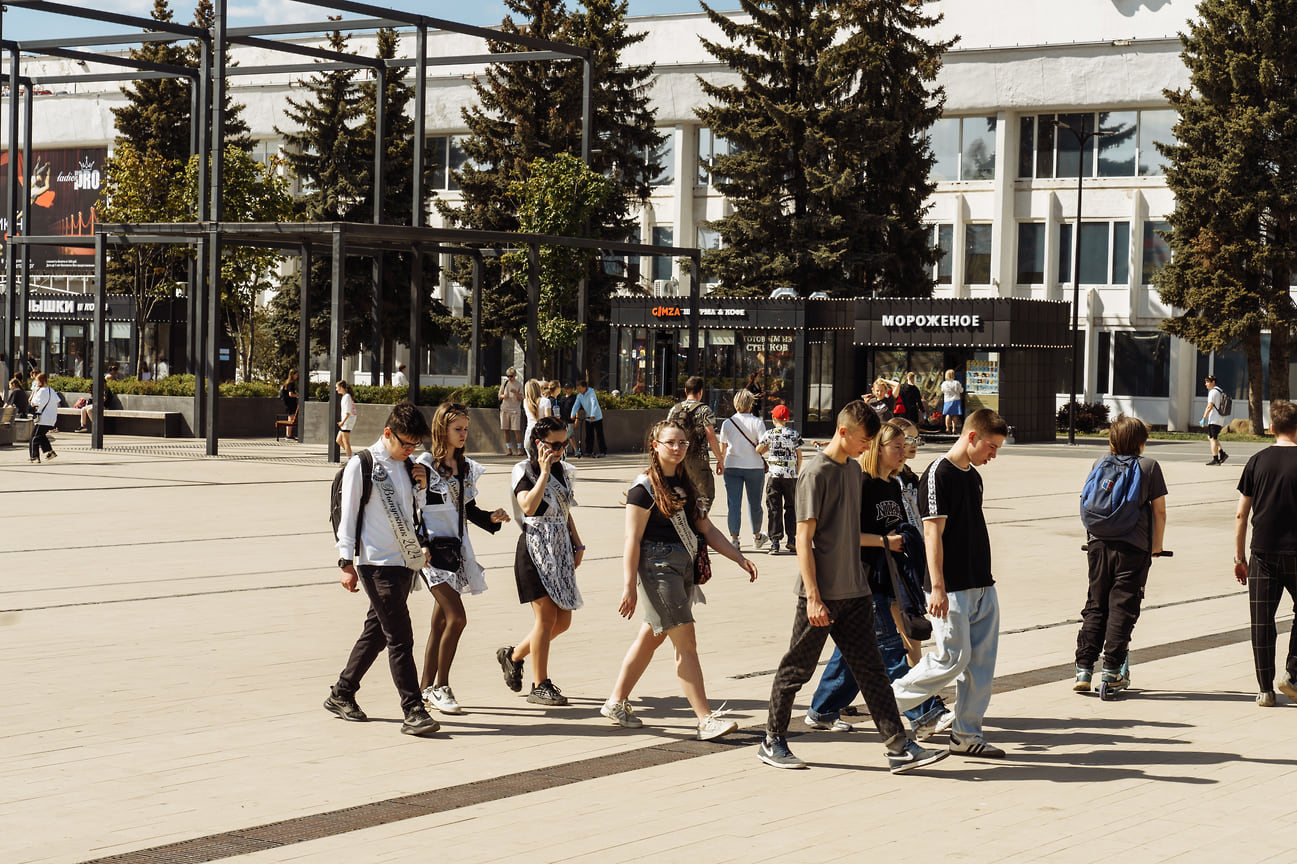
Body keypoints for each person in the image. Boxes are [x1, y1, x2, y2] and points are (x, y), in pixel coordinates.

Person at [758, 401, 948, 773]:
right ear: (843, 432)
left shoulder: (851, 470)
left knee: (873, 670)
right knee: (797, 668)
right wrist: (813, 596)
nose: (868, 446)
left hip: (856, 591)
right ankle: (772, 740)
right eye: (864, 439)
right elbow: (803, 539)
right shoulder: (816, 473)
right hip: (821, 594)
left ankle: (898, 746)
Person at [601, 418, 759, 739]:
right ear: (655, 446)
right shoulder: (643, 488)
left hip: (682, 569)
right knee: (686, 643)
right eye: (670, 443)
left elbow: (707, 529)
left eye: (682, 443)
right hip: (657, 570)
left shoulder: (686, 485)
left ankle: (616, 701)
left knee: (652, 637)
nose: (677, 448)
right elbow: (632, 539)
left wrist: (739, 557)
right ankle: (705, 719)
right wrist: (629, 586)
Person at [805, 420, 953, 738]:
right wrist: (886, 541)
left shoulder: (891, 484)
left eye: (905, 446)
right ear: (878, 448)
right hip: (861, 580)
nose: (903, 452)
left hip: (886, 579)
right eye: (896, 447)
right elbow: (842, 535)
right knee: (888, 651)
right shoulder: (862, 483)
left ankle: (821, 710)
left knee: (853, 652)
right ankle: (927, 713)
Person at [891, 408, 1009, 759]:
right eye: (991, 446)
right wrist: (938, 587)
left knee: (980, 666)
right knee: (951, 659)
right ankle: (888, 696)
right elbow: (932, 533)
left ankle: (966, 734)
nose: (994, 455)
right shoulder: (938, 474)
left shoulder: (972, 476)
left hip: (981, 583)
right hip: (951, 588)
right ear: (972, 436)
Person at [325, 402, 440, 736]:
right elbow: (347, 518)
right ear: (387, 432)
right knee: (400, 638)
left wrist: (420, 486)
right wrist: (345, 563)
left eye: (415, 445)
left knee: (376, 632)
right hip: (374, 564)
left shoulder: (408, 466)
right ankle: (413, 709)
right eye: (404, 443)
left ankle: (342, 692)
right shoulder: (362, 465)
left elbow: (412, 512)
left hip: (404, 562)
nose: (410, 450)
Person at [414, 403, 510, 715]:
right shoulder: (424, 465)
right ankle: (442, 686)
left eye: (466, 428)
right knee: (457, 617)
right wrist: (420, 544)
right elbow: (411, 510)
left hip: (455, 552)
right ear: (442, 429)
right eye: (458, 428)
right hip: (430, 554)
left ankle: (423, 690)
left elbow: (468, 511)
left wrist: (493, 518)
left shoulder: (464, 466)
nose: (463, 434)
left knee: (440, 623)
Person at [1073, 415, 1168, 695]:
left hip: (1098, 544)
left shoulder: (1099, 463)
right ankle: (1113, 671)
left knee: (1095, 603)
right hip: (1133, 547)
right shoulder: (1149, 467)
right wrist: (1156, 547)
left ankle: (1084, 669)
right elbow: (1159, 511)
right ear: (1140, 441)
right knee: (1122, 607)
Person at [498, 417, 584, 706]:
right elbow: (528, 506)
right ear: (539, 444)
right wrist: (544, 472)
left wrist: (577, 541)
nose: (560, 449)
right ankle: (540, 685)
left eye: (564, 443)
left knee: (563, 621)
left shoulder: (563, 469)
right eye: (554, 444)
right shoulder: (524, 469)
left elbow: (564, 510)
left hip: (560, 548)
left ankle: (512, 656)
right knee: (546, 619)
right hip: (534, 548)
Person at [1233, 399, 1297, 707]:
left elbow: (1241, 515)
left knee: (1261, 621)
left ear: (1271, 428)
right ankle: (1293, 674)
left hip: (1262, 554)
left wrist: (1238, 557)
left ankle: (1265, 689)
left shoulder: (1257, 461)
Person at [718, 389, 768, 550]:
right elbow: (763, 444)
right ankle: (757, 536)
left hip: (731, 465)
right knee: (755, 503)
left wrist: (720, 462)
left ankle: (734, 539)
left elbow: (723, 447)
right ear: (750, 404)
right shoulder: (757, 422)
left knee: (733, 504)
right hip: (754, 467)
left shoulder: (727, 423)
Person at [668, 376, 724, 513]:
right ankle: (698, 525)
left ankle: (683, 525)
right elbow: (710, 435)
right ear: (701, 392)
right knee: (705, 495)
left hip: (676, 457)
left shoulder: (675, 409)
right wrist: (720, 459)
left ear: (686, 391)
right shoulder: (705, 410)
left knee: (679, 494)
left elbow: (666, 433)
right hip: (698, 459)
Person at [757, 404, 802, 555]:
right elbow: (799, 454)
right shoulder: (794, 434)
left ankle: (775, 543)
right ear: (787, 419)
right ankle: (791, 539)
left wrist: (765, 451)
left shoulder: (769, 433)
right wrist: (797, 470)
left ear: (773, 418)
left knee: (774, 508)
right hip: (790, 475)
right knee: (791, 508)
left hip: (774, 475)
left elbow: (759, 449)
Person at [29, 372, 59, 464]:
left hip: (43, 418)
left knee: (34, 437)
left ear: (41, 381)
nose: (37, 383)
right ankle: (50, 452)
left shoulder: (41, 391)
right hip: (51, 418)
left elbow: (32, 403)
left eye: (37, 381)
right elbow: (58, 402)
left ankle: (34, 457)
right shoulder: (51, 390)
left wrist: (35, 392)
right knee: (41, 436)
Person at [571, 379, 606, 458]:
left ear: (585, 387)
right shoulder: (579, 396)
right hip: (588, 417)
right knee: (589, 435)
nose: (579, 390)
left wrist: (593, 414)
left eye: (580, 388)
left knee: (599, 434)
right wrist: (572, 414)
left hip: (597, 417)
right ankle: (588, 451)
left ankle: (603, 451)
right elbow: (576, 405)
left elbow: (594, 403)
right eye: (578, 388)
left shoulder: (591, 393)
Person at [1201, 374, 1229, 465]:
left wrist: (1203, 418)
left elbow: (1210, 406)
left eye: (1207, 382)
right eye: (1205, 382)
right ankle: (1222, 453)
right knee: (1210, 437)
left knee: (1213, 438)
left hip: (1214, 419)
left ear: (1213, 382)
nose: (1206, 384)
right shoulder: (1220, 391)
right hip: (1220, 418)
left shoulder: (1213, 392)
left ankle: (1216, 459)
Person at [499, 367, 524, 457]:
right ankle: (508, 449)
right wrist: (503, 396)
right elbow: (499, 396)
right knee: (506, 429)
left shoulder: (519, 385)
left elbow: (522, 398)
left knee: (516, 430)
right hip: (505, 409)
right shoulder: (505, 383)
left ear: (515, 375)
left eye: (511, 376)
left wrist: (516, 393)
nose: (510, 378)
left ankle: (519, 449)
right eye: (508, 376)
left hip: (515, 410)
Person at [522, 378, 544, 456]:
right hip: (541, 431)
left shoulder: (525, 402)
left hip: (530, 430)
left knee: (529, 450)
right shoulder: (545, 401)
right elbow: (548, 417)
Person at [336, 380, 357, 459]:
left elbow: (348, 412)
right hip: (346, 422)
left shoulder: (347, 397)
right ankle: (352, 455)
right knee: (338, 440)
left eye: (337, 387)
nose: (336, 389)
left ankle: (350, 459)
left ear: (341, 387)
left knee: (345, 441)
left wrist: (342, 422)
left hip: (347, 422)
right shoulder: (345, 397)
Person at [940, 369, 964, 434]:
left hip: (947, 400)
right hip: (956, 400)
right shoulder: (957, 383)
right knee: (955, 415)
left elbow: (942, 390)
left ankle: (947, 428)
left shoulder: (944, 383)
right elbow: (961, 390)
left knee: (948, 414)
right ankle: (954, 428)